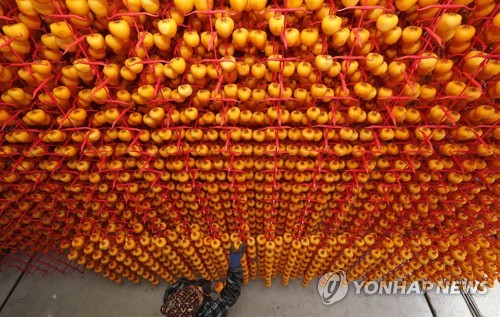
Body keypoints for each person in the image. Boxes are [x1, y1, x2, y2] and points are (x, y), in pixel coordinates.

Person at [160, 244, 245, 317]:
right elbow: (229, 296)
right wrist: (234, 266)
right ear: (197, 309)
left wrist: (209, 287)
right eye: (199, 294)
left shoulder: (172, 290)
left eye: (194, 288)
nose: (200, 289)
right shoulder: (208, 314)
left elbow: (196, 285)